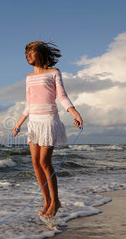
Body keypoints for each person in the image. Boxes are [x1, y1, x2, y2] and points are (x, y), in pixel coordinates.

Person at [13, 41, 83, 218]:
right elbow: (29, 104)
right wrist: (19, 123)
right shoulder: (29, 77)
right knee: (35, 163)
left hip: (48, 120)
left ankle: (56, 201)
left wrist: (74, 112)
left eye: (32, 52)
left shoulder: (54, 73)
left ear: (41, 54)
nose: (28, 55)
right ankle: (46, 201)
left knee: (45, 162)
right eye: (26, 53)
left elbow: (62, 96)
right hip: (34, 122)